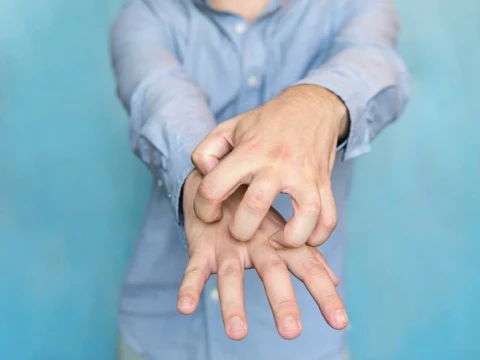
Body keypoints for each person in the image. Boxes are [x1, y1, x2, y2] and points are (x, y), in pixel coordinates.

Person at [110, 0, 410, 359]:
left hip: (299, 340)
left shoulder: (353, 7)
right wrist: (205, 183)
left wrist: (318, 103)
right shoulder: (147, 14)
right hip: (158, 335)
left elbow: (375, 62)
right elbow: (159, 95)